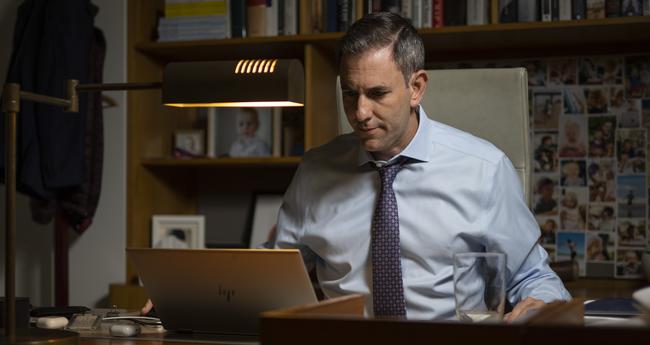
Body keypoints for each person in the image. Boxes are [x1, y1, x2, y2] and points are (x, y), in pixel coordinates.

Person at [143, 12, 571, 320]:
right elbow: (273, 278)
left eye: (377, 93)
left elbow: (534, 278)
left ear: (416, 87)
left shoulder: (484, 169)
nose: (360, 112)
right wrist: (188, 297)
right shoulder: (315, 170)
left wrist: (541, 306)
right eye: (350, 94)